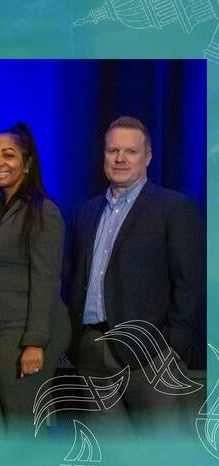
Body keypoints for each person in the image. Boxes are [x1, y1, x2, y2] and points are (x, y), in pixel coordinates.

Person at [67, 116, 205, 432]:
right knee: (111, 454)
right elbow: (73, 278)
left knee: (162, 452)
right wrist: (76, 344)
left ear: (148, 157)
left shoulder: (174, 208)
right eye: (113, 150)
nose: (120, 158)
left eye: (130, 151)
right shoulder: (86, 212)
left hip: (151, 356)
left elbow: (190, 284)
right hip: (92, 351)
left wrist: (172, 349)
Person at [0, 122, 71, 433]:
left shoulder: (42, 212)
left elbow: (46, 280)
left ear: (27, 163)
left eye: (8, 155)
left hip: (23, 328)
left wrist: (35, 343)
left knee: (22, 427)